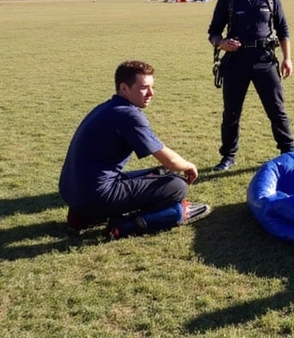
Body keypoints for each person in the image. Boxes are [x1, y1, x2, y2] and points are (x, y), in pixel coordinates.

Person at [59, 61, 211, 238]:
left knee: (161, 173)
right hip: (94, 196)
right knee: (177, 186)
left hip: (73, 191)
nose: (151, 93)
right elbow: (166, 158)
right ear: (124, 88)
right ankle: (125, 225)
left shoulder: (106, 108)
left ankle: (82, 217)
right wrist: (188, 165)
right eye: (144, 88)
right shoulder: (128, 114)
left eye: (152, 87)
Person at [207, 0, 294, 171]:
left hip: (265, 61)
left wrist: (287, 58)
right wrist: (222, 44)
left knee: (277, 110)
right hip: (235, 63)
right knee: (231, 113)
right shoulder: (228, 0)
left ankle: (289, 153)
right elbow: (213, 32)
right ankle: (227, 157)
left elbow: (283, 30)